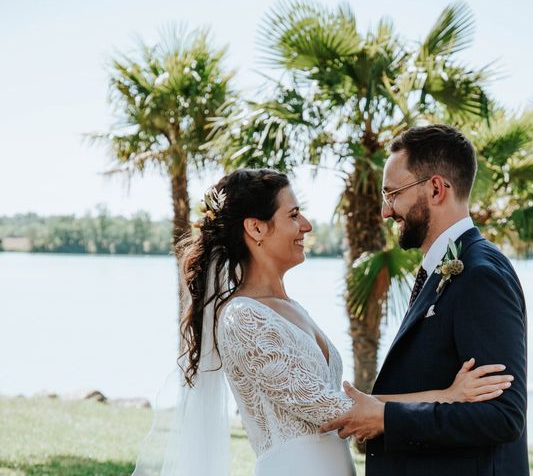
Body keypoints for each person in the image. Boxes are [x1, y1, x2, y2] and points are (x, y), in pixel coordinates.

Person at [133, 167, 513, 476]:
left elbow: (350, 406)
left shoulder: (293, 308)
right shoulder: (242, 318)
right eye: (293, 215)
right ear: (256, 228)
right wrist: (449, 395)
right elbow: (339, 412)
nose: (307, 226)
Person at [320, 125, 529, 476]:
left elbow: (502, 416)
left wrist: (387, 419)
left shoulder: (480, 275)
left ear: (435, 188)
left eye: (393, 194)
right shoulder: (445, 268)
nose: (387, 212)